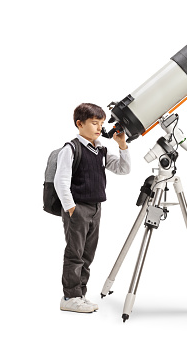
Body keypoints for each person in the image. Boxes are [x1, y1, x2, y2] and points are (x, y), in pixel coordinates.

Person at [54, 103, 131, 313]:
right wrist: (71, 209)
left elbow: (124, 169)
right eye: (94, 123)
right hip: (78, 208)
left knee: (87, 255)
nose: (99, 128)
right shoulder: (71, 149)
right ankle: (69, 296)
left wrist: (122, 145)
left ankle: (81, 294)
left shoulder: (101, 150)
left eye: (101, 124)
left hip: (96, 208)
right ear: (80, 124)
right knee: (74, 254)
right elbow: (61, 181)